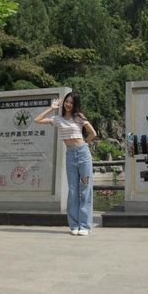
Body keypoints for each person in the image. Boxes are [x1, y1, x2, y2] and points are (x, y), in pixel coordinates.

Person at [34, 91, 97, 235]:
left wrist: (84, 144)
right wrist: (52, 107)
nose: (68, 104)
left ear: (75, 105)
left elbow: (93, 133)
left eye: (71, 102)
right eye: (67, 102)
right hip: (70, 154)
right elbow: (37, 120)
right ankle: (74, 225)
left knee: (85, 189)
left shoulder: (79, 117)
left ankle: (85, 226)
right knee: (73, 190)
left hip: (83, 153)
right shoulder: (58, 119)